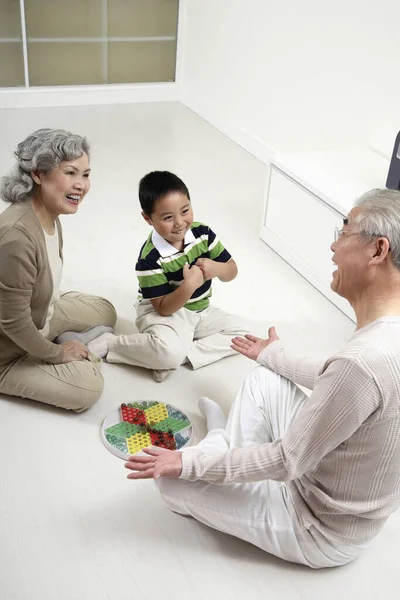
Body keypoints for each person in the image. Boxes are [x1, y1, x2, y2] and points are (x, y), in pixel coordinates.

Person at [124, 188, 400, 569]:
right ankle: (225, 446)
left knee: (169, 482)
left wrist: (186, 465)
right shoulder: (382, 341)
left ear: (377, 250)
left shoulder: (362, 362)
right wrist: (270, 353)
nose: (334, 247)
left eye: (345, 231)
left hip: (317, 526)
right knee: (266, 376)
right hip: (330, 476)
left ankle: (219, 442)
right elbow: (337, 381)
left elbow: (287, 461)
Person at [88, 170, 249, 382]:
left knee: (244, 334)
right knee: (168, 349)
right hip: (164, 313)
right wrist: (189, 285)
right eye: (167, 217)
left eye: (185, 211)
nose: (179, 223)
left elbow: (232, 270)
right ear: (148, 219)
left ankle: (177, 357)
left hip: (199, 310)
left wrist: (216, 269)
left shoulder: (203, 234)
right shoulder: (149, 258)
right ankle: (112, 344)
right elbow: (163, 308)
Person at [0, 128, 117, 411]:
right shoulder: (16, 236)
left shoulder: (49, 211)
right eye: (70, 173)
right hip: (8, 351)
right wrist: (57, 353)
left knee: (107, 311)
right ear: (38, 175)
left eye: (86, 174)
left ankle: (59, 332)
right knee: (89, 388)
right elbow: (12, 322)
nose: (81, 185)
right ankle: (60, 343)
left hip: (41, 315)